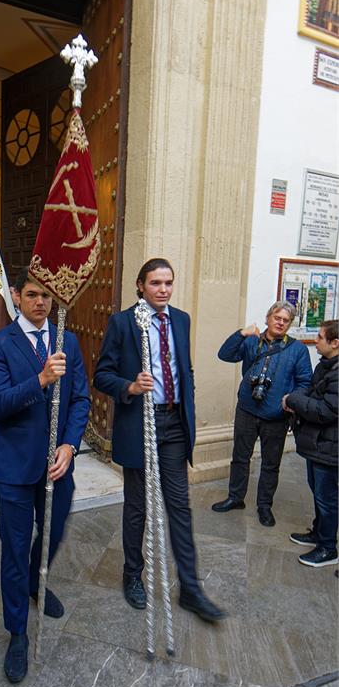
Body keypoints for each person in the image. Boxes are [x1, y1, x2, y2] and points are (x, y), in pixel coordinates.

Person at [94, 257, 225, 622]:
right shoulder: (122, 323)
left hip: (174, 424)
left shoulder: (180, 319)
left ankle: (191, 588)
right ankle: (132, 574)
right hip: (141, 423)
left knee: (179, 507)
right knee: (137, 506)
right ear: (140, 285)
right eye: (155, 283)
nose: (163, 289)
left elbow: (184, 367)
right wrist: (130, 386)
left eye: (168, 282)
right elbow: (102, 375)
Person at [0, 269, 90, 683]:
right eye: (32, 294)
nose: (40, 302)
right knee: (14, 546)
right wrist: (41, 378)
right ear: (17, 297)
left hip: (58, 464)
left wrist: (70, 445)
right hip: (13, 466)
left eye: (46, 295)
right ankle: (17, 633)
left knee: (55, 530)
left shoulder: (68, 340)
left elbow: (79, 397)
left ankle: (34, 579)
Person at [212, 301, 312, 526]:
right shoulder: (251, 341)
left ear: (290, 325)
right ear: (268, 318)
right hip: (247, 410)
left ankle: (264, 506)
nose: (281, 323)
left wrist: (290, 400)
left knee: (270, 464)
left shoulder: (297, 350)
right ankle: (235, 498)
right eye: (277, 318)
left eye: (286, 320)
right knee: (240, 457)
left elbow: (305, 382)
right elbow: (224, 355)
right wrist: (242, 333)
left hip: (276, 417)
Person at [283, 320, 338, 568]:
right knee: (318, 493)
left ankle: (328, 548)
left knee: (327, 498)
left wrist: (293, 400)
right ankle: (319, 532)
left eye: (319, 337)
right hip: (319, 444)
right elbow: (313, 392)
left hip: (330, 446)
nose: (315, 341)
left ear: (335, 343)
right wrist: (294, 397)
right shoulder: (327, 365)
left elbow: (327, 410)